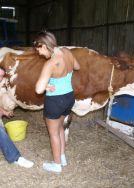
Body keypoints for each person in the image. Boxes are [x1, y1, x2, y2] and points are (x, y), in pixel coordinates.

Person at [34, 31, 80, 173]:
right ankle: (62, 157)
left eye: (39, 49)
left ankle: (56, 165)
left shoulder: (50, 63)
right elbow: (77, 67)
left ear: (44, 45)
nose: (40, 54)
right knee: (60, 128)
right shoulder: (66, 51)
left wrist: (47, 84)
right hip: (68, 97)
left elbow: (38, 89)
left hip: (55, 101)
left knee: (53, 133)